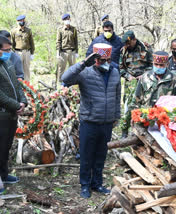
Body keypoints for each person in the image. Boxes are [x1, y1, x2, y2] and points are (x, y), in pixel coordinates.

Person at [62, 43, 121, 198]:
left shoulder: (114, 72)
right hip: (89, 121)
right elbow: (65, 78)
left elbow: (117, 96)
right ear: (94, 59)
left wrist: (116, 116)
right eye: (100, 60)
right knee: (87, 155)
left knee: (101, 155)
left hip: (107, 122)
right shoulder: (85, 73)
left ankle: (97, 184)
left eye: (107, 60)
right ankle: (85, 185)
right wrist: (82, 64)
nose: (104, 63)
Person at [0, 35, 27, 185]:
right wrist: (16, 106)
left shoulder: (6, 61)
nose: (9, 52)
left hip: (10, 114)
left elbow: (16, 84)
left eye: (10, 49)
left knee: (6, 147)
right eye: (6, 50)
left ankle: (3, 175)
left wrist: (23, 101)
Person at [119, 30, 153, 138]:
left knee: (142, 107)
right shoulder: (124, 50)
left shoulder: (146, 49)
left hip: (145, 82)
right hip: (130, 82)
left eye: (129, 43)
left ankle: (138, 131)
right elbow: (121, 68)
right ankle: (124, 131)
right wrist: (129, 76)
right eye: (126, 44)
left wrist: (144, 75)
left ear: (134, 39)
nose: (127, 46)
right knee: (128, 107)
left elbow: (152, 65)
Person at [11, 15, 35, 81]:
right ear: (17, 22)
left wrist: (32, 53)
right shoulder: (14, 31)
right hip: (17, 52)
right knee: (18, 69)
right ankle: (19, 85)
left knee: (26, 69)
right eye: (20, 21)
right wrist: (13, 53)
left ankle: (27, 86)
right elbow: (12, 43)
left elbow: (31, 42)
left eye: (23, 20)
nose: (22, 22)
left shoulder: (28, 30)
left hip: (27, 52)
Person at [56, 13, 79, 83]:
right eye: (65, 19)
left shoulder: (74, 29)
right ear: (63, 21)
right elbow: (58, 41)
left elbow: (76, 41)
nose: (67, 20)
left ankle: (72, 84)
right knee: (61, 69)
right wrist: (58, 52)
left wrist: (76, 52)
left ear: (70, 19)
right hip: (63, 52)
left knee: (73, 69)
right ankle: (60, 84)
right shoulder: (60, 29)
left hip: (72, 51)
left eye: (68, 19)